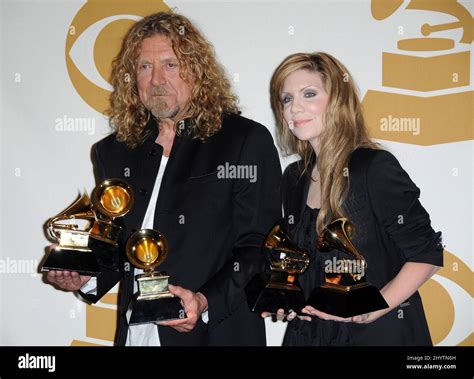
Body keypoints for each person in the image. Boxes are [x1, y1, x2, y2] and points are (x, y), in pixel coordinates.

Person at [45, 11, 282, 346]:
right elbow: (118, 247)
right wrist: (84, 276)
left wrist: (203, 301)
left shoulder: (243, 141)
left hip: (216, 334)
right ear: (133, 78)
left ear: (197, 71)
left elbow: (258, 246)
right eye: (144, 67)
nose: (156, 79)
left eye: (170, 64)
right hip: (137, 335)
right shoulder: (112, 152)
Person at [263, 52, 443, 346]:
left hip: (376, 335)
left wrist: (370, 310)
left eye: (309, 94)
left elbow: (428, 255)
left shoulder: (373, 167)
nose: (295, 107)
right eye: (286, 99)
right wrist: (286, 296)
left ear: (337, 100)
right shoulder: (294, 177)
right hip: (310, 335)